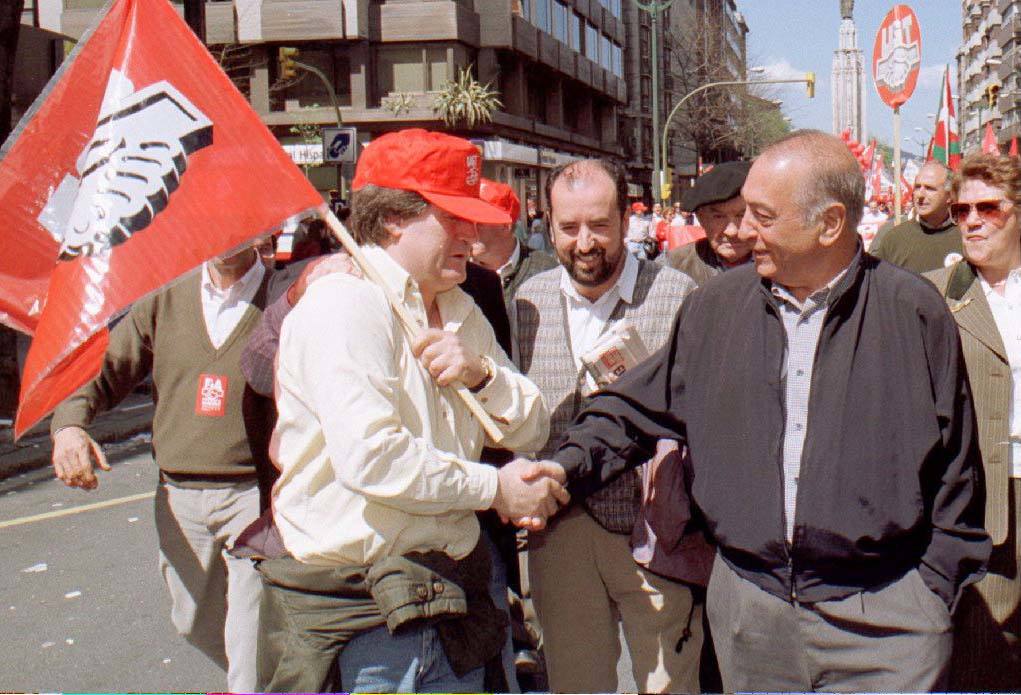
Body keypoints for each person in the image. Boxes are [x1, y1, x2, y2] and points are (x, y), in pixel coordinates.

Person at [536, 130, 990, 692]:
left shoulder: (913, 310)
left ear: (828, 224)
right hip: (752, 618)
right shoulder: (716, 308)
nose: (742, 230)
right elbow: (632, 406)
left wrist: (931, 593)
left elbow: (958, 469)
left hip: (888, 625)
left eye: (762, 215)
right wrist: (563, 466)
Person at [257, 128, 560, 693]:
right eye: (455, 219)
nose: (473, 235)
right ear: (395, 218)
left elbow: (532, 424)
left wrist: (483, 374)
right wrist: (496, 489)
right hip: (364, 613)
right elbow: (374, 459)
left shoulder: (459, 305)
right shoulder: (345, 305)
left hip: (450, 596)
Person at [513, 158, 706, 694]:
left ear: (627, 219)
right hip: (560, 535)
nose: (584, 242)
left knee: (671, 685)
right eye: (569, 227)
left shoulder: (678, 297)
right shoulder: (525, 303)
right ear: (547, 224)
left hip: (655, 535)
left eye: (599, 225)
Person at [49, 242, 273, 692]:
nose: (227, 237)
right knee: (193, 622)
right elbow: (105, 368)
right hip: (179, 496)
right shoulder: (166, 297)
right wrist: (69, 425)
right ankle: (283, 679)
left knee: (250, 641)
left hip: (257, 496)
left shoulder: (284, 296)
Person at [924, 153, 1021, 691]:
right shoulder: (937, 293)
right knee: (986, 652)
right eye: (961, 210)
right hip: (986, 498)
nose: (973, 221)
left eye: (989, 208)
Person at [659, 161, 751, 286]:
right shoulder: (674, 265)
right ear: (701, 219)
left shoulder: (781, 265)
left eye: (742, 215)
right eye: (718, 217)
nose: (732, 231)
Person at [471, 178, 559, 305]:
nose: (468, 229)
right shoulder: (457, 272)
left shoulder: (546, 271)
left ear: (505, 225)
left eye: (477, 222)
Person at [871, 161, 963, 273]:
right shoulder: (893, 238)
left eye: (929, 188)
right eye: (917, 187)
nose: (920, 195)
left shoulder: (965, 237)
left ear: (949, 195)